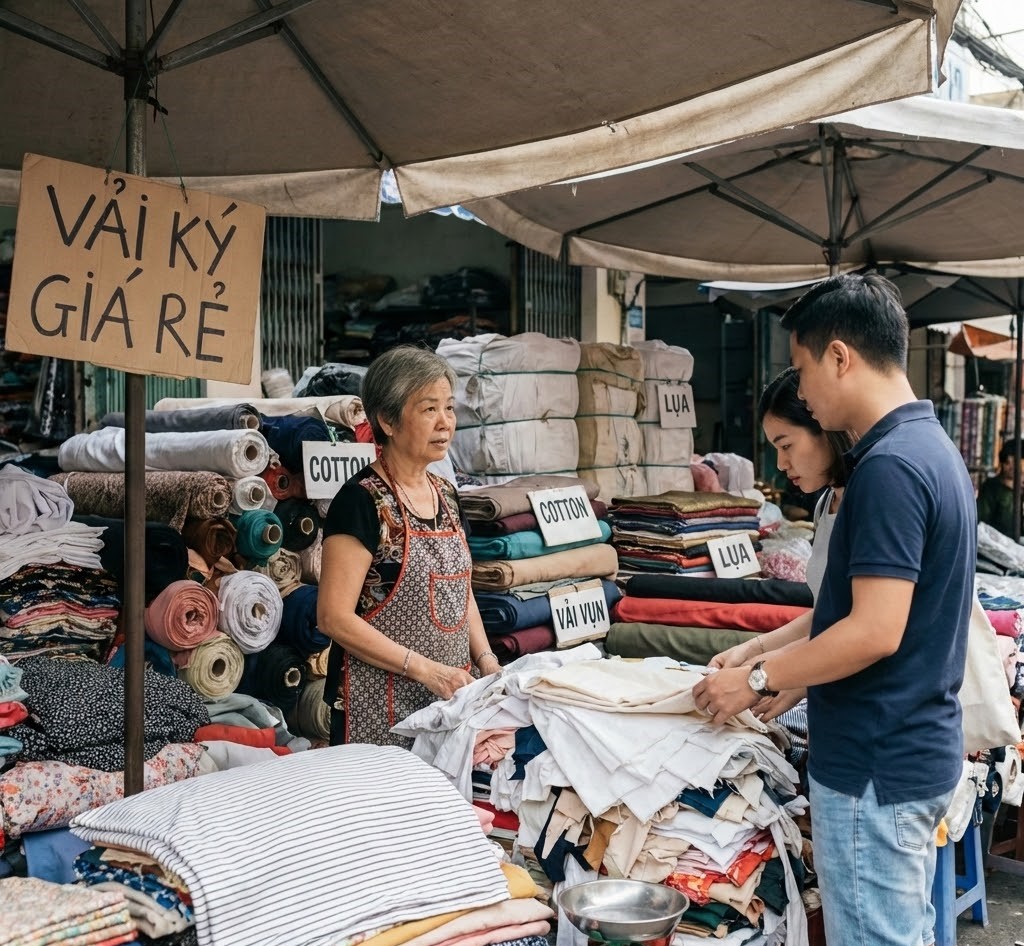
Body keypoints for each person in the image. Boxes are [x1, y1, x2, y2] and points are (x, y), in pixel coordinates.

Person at [693, 274, 976, 946]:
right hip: (911, 750)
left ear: (840, 357)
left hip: (876, 763)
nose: (805, 391)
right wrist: (764, 655)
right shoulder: (928, 447)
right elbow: (854, 610)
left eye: (802, 368)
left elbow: (874, 631)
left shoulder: (890, 467)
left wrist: (757, 678)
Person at [317, 345, 501, 747]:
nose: (445, 423)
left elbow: (460, 590)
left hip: (448, 700)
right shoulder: (361, 501)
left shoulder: (446, 495)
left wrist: (486, 659)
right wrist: (425, 670)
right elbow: (333, 617)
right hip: (376, 707)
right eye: (429, 409)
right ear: (387, 420)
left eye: (449, 408)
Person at [709, 366, 852, 722]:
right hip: (836, 714)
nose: (781, 463)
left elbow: (861, 629)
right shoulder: (827, 502)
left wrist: (761, 674)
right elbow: (829, 613)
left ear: (824, 427)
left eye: (786, 445)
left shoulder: (871, 497)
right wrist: (750, 651)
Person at [976, 439, 1022, 539]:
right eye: (1007, 462)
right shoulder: (991, 487)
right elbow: (981, 521)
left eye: (1015, 462)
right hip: (997, 542)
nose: (1011, 467)